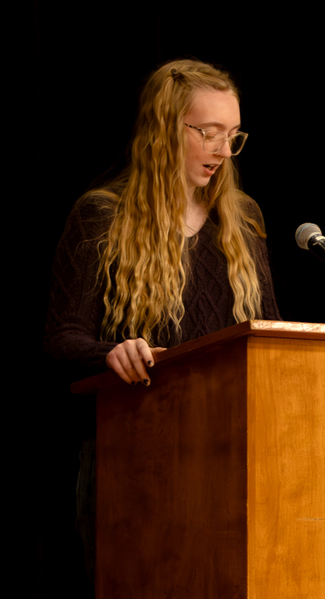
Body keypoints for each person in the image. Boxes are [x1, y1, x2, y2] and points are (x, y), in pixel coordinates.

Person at [44, 58, 280, 386]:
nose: (225, 151)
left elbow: (271, 334)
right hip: (139, 420)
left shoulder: (242, 216)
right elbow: (63, 339)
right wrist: (111, 353)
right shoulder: (101, 214)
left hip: (228, 422)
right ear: (164, 128)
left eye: (233, 136)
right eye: (211, 134)